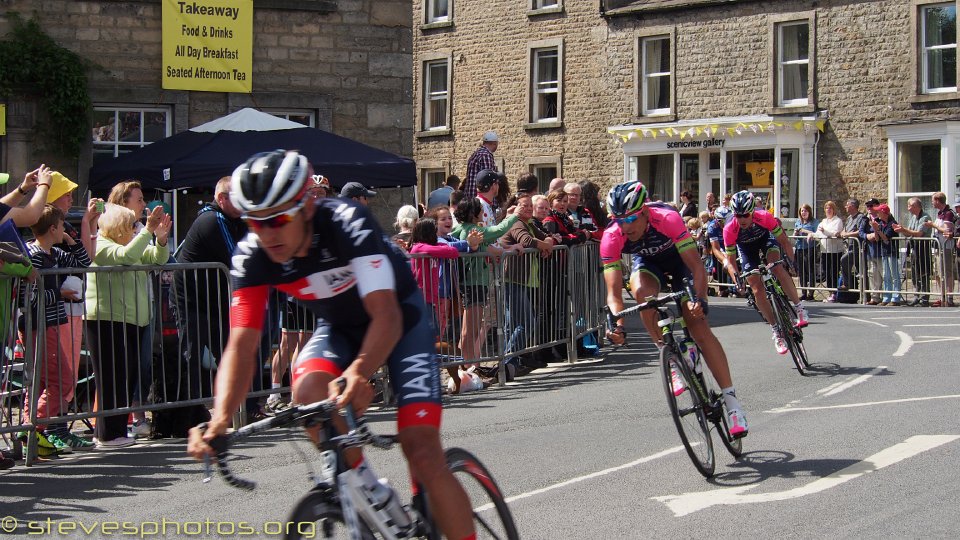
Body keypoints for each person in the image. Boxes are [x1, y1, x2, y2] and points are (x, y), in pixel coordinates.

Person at [186, 150, 475, 539]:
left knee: (422, 451)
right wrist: (220, 417)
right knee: (306, 391)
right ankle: (371, 490)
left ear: (307, 206)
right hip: (340, 326)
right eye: (255, 222)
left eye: (278, 219)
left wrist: (359, 371)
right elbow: (241, 345)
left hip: (400, 320)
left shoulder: (346, 222)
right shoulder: (253, 255)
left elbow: (385, 316)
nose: (267, 233)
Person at [601, 181, 748, 438]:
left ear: (645, 210)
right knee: (642, 295)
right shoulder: (612, 236)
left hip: (681, 263)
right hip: (647, 264)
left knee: (698, 325)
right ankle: (667, 356)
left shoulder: (667, 219)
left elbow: (696, 268)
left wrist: (699, 300)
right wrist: (618, 325)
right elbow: (613, 293)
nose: (626, 226)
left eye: (632, 218)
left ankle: (732, 402)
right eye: (619, 220)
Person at [85, 202, 171, 448]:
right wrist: (147, 232)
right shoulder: (101, 245)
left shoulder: (130, 243)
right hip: (106, 318)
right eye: (131, 225)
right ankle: (108, 434)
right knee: (112, 378)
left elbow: (156, 259)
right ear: (118, 227)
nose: (136, 229)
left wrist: (161, 240)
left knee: (127, 376)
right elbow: (126, 257)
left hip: (132, 320)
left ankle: (117, 430)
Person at [170, 176, 245, 435]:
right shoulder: (212, 220)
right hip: (191, 301)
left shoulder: (234, 220)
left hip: (213, 301)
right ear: (222, 198)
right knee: (190, 358)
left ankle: (234, 410)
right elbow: (236, 255)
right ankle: (186, 419)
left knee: (227, 354)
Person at [19, 205, 93, 454]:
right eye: (62, 226)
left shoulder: (54, 253)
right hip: (39, 325)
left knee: (43, 381)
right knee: (62, 379)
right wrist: (58, 294)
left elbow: (84, 263)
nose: (64, 230)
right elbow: (26, 297)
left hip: (52, 322)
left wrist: (72, 240)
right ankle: (31, 427)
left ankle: (32, 433)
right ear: (52, 228)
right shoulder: (34, 254)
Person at [722, 190, 808, 356]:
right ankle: (776, 330)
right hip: (746, 249)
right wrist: (737, 280)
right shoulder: (729, 229)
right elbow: (731, 262)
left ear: (752, 211)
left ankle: (800, 308)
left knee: (776, 266)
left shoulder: (764, 217)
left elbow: (783, 240)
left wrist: (791, 260)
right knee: (756, 287)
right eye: (738, 215)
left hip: (766, 240)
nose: (742, 219)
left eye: (745, 215)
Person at [499, 194, 556, 372]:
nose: (529, 209)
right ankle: (508, 359)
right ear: (516, 207)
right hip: (513, 278)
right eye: (524, 206)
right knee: (527, 323)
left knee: (513, 324)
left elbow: (548, 237)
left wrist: (546, 243)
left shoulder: (529, 223)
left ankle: (511, 361)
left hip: (524, 279)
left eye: (530, 206)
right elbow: (527, 241)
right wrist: (545, 245)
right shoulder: (516, 223)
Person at [892, 197, 932, 306]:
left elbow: (919, 233)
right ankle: (916, 296)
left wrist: (903, 230)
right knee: (915, 274)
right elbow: (909, 233)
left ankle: (924, 298)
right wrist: (901, 230)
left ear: (915, 206)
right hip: (914, 248)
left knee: (923, 274)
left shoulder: (925, 217)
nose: (908, 208)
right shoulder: (913, 217)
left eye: (909, 206)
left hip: (923, 248)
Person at [928, 192, 956, 306]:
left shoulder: (948, 213)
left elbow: (946, 230)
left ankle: (949, 297)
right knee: (939, 273)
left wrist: (933, 226)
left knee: (947, 272)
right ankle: (942, 295)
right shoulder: (940, 213)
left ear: (938, 201)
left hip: (946, 247)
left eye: (933, 200)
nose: (932, 203)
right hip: (938, 247)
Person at [815, 201, 845, 302]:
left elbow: (834, 233)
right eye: (827, 208)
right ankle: (830, 293)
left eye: (830, 208)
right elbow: (818, 233)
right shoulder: (823, 221)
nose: (828, 210)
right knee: (827, 272)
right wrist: (812, 235)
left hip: (835, 250)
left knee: (834, 272)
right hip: (825, 250)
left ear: (834, 210)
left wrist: (825, 232)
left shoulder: (838, 221)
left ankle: (835, 293)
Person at [872, 204, 901, 305]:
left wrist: (878, 230)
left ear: (884, 213)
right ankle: (887, 297)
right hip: (884, 252)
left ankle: (896, 297)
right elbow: (877, 239)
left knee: (894, 275)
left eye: (879, 211)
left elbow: (885, 238)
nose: (877, 213)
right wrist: (876, 229)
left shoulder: (892, 223)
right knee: (886, 275)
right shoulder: (881, 223)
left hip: (891, 252)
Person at [838, 198, 868, 295]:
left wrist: (847, 234)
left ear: (853, 206)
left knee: (861, 271)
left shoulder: (861, 217)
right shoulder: (849, 218)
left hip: (857, 248)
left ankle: (865, 293)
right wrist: (842, 233)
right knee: (851, 266)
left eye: (847, 205)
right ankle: (849, 285)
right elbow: (844, 229)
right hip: (848, 247)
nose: (846, 207)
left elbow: (860, 231)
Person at [859, 199, 884, 305]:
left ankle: (887, 296)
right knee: (872, 274)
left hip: (882, 250)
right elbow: (861, 232)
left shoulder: (882, 217)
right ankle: (875, 297)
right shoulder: (865, 218)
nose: (869, 208)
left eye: (871, 206)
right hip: (870, 250)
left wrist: (877, 234)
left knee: (884, 274)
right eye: (867, 206)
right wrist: (867, 236)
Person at [793, 204, 818, 301]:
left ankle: (811, 293)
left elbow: (816, 234)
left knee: (810, 270)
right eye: (802, 211)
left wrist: (804, 231)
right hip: (799, 248)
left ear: (809, 212)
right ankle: (803, 292)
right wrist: (795, 232)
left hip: (810, 247)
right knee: (802, 270)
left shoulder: (814, 222)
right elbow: (794, 237)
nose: (803, 213)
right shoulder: (798, 222)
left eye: (805, 211)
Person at [464, 131, 498, 198]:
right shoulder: (486, 155)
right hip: (479, 199)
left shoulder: (476, 154)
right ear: (494, 143)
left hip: (469, 197)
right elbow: (487, 180)